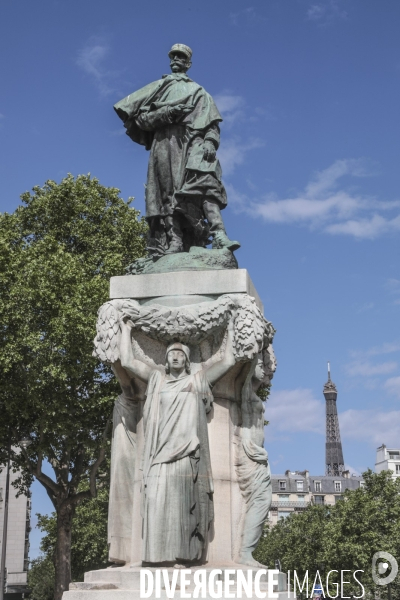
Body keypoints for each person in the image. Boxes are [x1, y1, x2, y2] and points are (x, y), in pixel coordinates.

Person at [118, 314, 236, 565]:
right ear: (165, 358)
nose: (175, 356)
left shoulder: (197, 380)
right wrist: (126, 329)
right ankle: (155, 558)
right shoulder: (157, 378)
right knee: (156, 505)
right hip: (159, 455)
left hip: (186, 453)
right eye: (171, 353)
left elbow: (228, 360)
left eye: (181, 354)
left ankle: (184, 556)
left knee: (183, 511)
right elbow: (128, 361)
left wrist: (232, 326)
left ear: (187, 360)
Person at [114, 43, 240, 254]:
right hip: (164, 142)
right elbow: (142, 120)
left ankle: (219, 234)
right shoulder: (158, 88)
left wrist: (210, 141)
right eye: (173, 56)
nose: (176, 60)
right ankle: (175, 240)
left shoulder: (199, 92)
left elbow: (212, 125)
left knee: (205, 186)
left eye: (181, 57)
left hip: (193, 142)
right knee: (167, 191)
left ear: (188, 64)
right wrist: (168, 113)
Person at [235, 357, 271, 566]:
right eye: (260, 365)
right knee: (260, 500)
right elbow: (244, 372)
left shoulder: (253, 393)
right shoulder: (245, 389)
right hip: (250, 453)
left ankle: (246, 551)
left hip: (257, 454)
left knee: (262, 501)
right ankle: (245, 553)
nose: (264, 370)